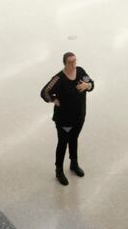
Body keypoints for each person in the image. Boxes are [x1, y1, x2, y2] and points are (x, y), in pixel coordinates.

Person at [41, 52, 94, 185]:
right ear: (65, 63)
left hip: (79, 116)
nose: (74, 64)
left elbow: (91, 83)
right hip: (64, 119)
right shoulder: (58, 78)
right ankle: (59, 170)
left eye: (75, 61)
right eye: (70, 62)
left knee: (74, 139)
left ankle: (74, 163)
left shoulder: (80, 71)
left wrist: (87, 86)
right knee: (63, 142)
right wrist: (53, 99)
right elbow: (44, 92)